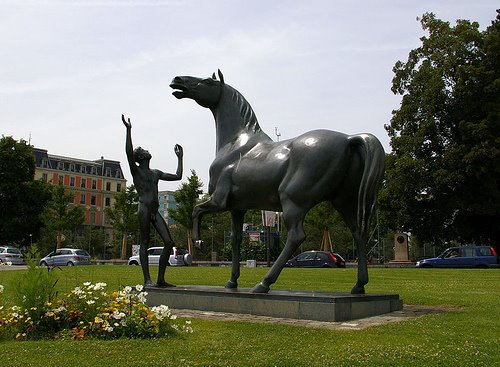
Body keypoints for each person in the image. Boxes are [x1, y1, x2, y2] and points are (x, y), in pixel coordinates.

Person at [122, 114, 183, 287]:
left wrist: (180, 158)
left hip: (155, 211)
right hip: (144, 209)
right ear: (141, 157)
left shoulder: (155, 173)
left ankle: (161, 279)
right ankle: (147, 280)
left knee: (169, 242)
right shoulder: (137, 171)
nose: (148, 151)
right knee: (144, 242)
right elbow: (128, 153)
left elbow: (178, 176)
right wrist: (128, 130)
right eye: (144, 151)